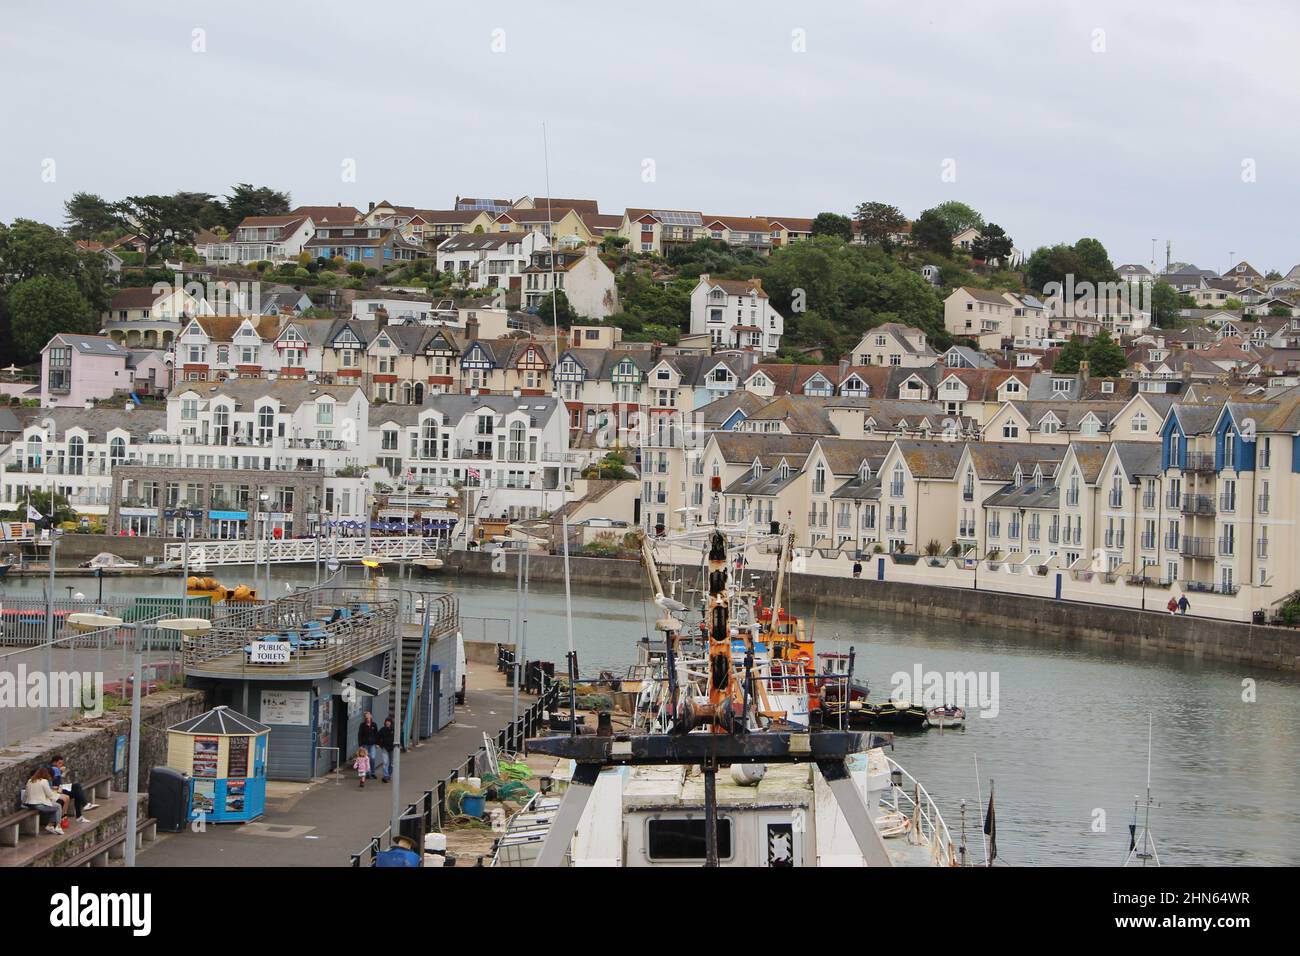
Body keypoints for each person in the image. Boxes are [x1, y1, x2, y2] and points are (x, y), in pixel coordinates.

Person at [48, 755, 97, 823]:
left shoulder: (52, 769)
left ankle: (85, 806)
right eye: (59, 763)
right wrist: (60, 771)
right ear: (54, 762)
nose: (61, 765)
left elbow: (57, 782)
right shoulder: (55, 769)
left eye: (62, 763)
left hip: (59, 789)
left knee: (77, 787)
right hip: (57, 791)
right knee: (77, 790)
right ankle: (81, 812)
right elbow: (57, 784)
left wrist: (61, 773)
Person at [23, 768, 64, 834]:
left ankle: (50, 825)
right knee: (58, 806)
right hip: (39, 804)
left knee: (54, 807)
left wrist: (24, 803)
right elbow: (50, 794)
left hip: (30, 804)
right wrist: (58, 795)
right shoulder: (44, 781)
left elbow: (26, 794)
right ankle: (58, 826)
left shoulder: (30, 780)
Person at [357, 711, 380, 779]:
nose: (367, 718)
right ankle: (367, 773)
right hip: (365, 745)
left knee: (372, 758)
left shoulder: (374, 724)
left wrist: (377, 743)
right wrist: (360, 745)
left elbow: (376, 734)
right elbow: (360, 735)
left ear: (371, 716)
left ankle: (372, 772)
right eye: (366, 717)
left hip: (372, 744)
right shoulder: (362, 725)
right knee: (366, 759)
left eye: (368, 716)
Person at [377, 718, 395, 784]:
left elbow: (398, 736)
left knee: (392, 763)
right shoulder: (382, 729)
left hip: (392, 748)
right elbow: (377, 737)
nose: (387, 723)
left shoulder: (394, 729)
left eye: (389, 722)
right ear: (385, 723)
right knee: (385, 762)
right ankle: (385, 776)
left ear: (391, 723)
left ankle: (389, 775)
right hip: (385, 748)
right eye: (386, 722)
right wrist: (379, 744)